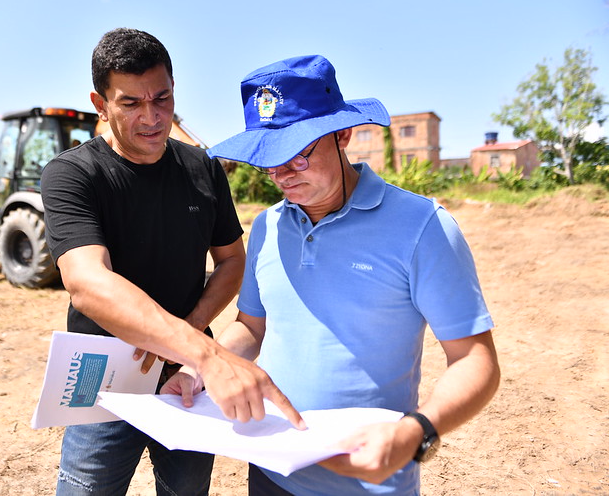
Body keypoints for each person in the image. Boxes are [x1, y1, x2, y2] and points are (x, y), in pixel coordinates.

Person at [162, 55, 501, 495]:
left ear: (342, 134)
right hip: (272, 470)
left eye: (297, 156)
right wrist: (199, 370)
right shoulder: (267, 226)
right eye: (268, 161)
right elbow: (252, 327)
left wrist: (416, 434)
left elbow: (477, 360)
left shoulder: (422, 226)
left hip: (367, 484)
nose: (281, 175)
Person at [40, 28, 303, 496]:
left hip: (184, 380)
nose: (151, 117)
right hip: (104, 377)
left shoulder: (202, 169)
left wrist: (191, 329)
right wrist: (203, 351)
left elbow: (230, 261)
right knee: (86, 487)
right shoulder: (72, 174)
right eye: (130, 104)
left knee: (186, 489)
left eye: (161, 98)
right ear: (100, 104)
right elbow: (88, 283)